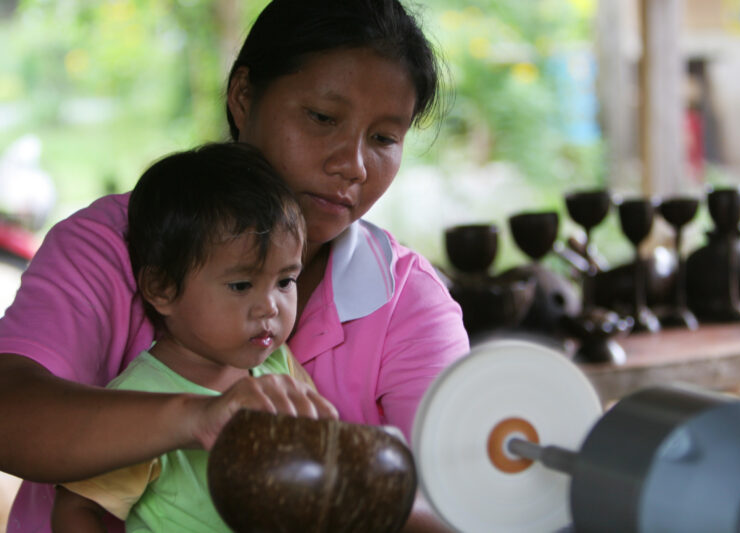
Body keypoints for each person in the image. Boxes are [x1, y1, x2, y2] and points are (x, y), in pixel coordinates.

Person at [0, 1, 470, 531]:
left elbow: (457, 494)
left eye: (383, 138)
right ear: (244, 97)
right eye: (322, 117)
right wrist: (193, 417)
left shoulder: (409, 301)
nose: (353, 165)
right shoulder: (110, 243)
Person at [51, 142, 312, 532]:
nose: (270, 307)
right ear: (162, 288)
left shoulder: (279, 365)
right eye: (241, 285)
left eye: (285, 281)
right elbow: (76, 509)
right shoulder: (140, 399)